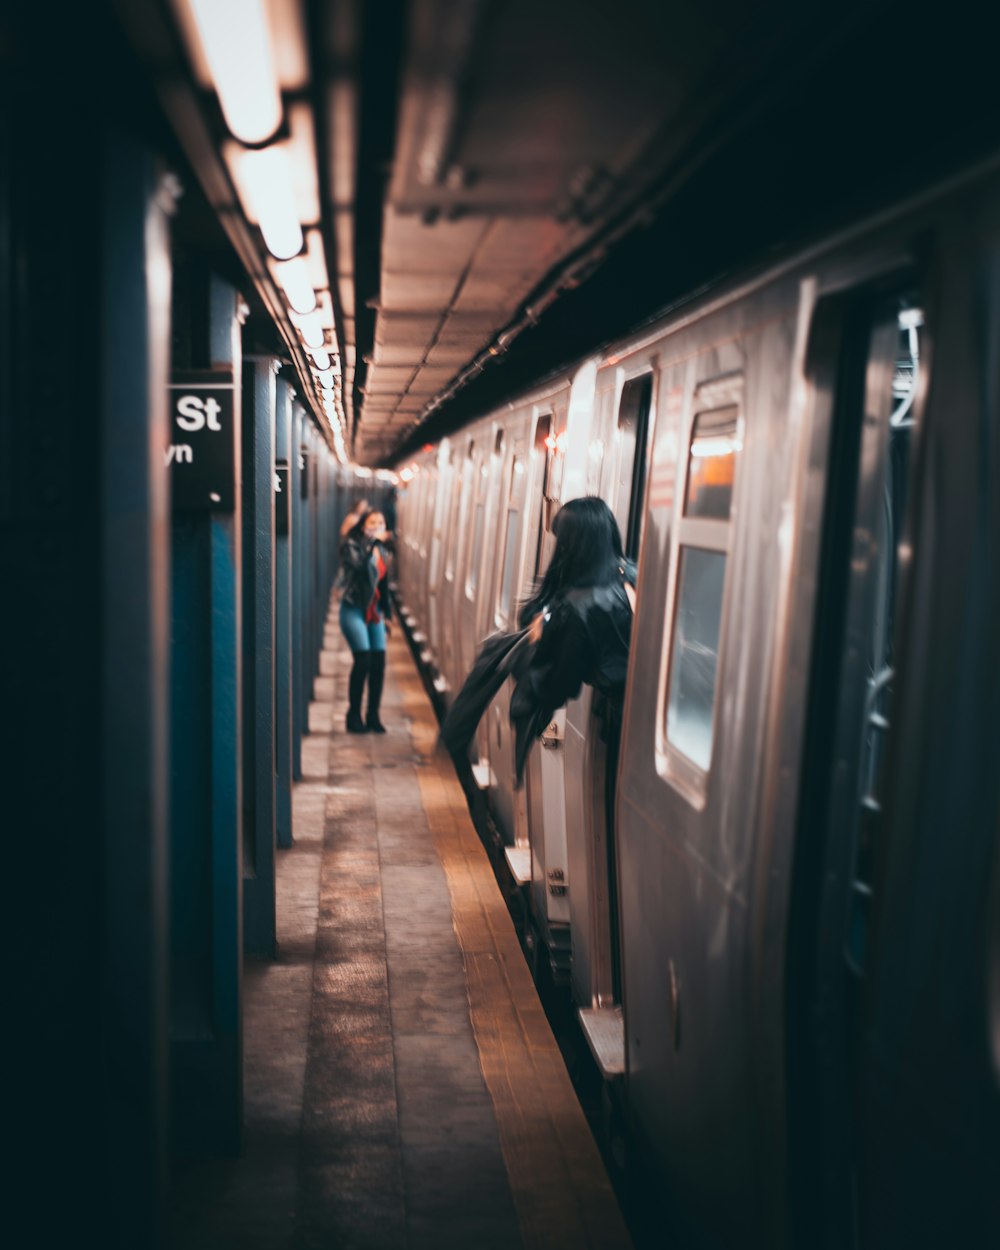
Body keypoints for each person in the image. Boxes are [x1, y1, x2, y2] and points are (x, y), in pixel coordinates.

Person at [511, 496, 636, 779]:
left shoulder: (581, 607)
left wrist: (536, 644)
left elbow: (557, 685)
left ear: (573, 545)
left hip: (624, 729)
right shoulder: (635, 574)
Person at [338, 508, 393, 733]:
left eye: (381, 522)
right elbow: (360, 567)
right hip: (353, 608)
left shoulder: (381, 549)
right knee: (363, 660)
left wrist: (388, 615)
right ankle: (353, 715)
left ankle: (373, 715)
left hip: (374, 611)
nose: (377, 525)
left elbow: (383, 583)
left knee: (378, 662)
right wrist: (372, 544)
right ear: (363, 525)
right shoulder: (350, 545)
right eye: (373, 522)